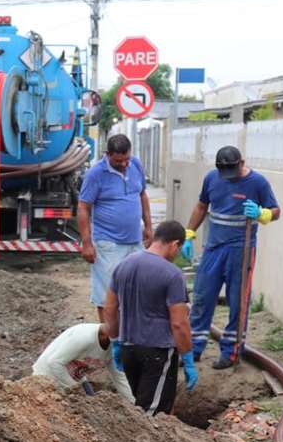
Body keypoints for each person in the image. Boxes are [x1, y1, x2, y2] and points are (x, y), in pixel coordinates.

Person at [182, 146, 280, 370]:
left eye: (232, 171)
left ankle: (231, 351)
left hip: (241, 250)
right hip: (214, 248)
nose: (228, 176)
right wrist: (189, 233)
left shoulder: (258, 183)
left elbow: (276, 211)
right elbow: (201, 205)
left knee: (238, 302)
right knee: (201, 298)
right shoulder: (211, 178)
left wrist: (262, 214)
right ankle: (193, 348)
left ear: (241, 163)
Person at [103, 220, 197, 416]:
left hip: (129, 348)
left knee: (141, 405)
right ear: (174, 244)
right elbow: (179, 323)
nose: (178, 254)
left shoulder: (123, 266)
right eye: (179, 249)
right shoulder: (172, 275)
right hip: (158, 352)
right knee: (151, 416)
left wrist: (115, 341)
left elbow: (110, 308)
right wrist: (188, 358)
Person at [77, 134, 153, 323]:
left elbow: (142, 194)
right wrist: (86, 243)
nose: (124, 164)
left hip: (134, 242)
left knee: (136, 290)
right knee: (107, 295)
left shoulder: (135, 164)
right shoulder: (96, 174)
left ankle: (130, 335)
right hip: (108, 244)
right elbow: (83, 207)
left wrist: (149, 226)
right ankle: (109, 339)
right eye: (119, 160)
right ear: (108, 154)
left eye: (126, 158)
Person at [31, 323, 136, 403]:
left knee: (93, 405)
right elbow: (54, 363)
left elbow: (120, 378)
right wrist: (76, 390)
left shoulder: (114, 348)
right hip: (46, 378)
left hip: (75, 379)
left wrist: (136, 407)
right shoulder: (85, 337)